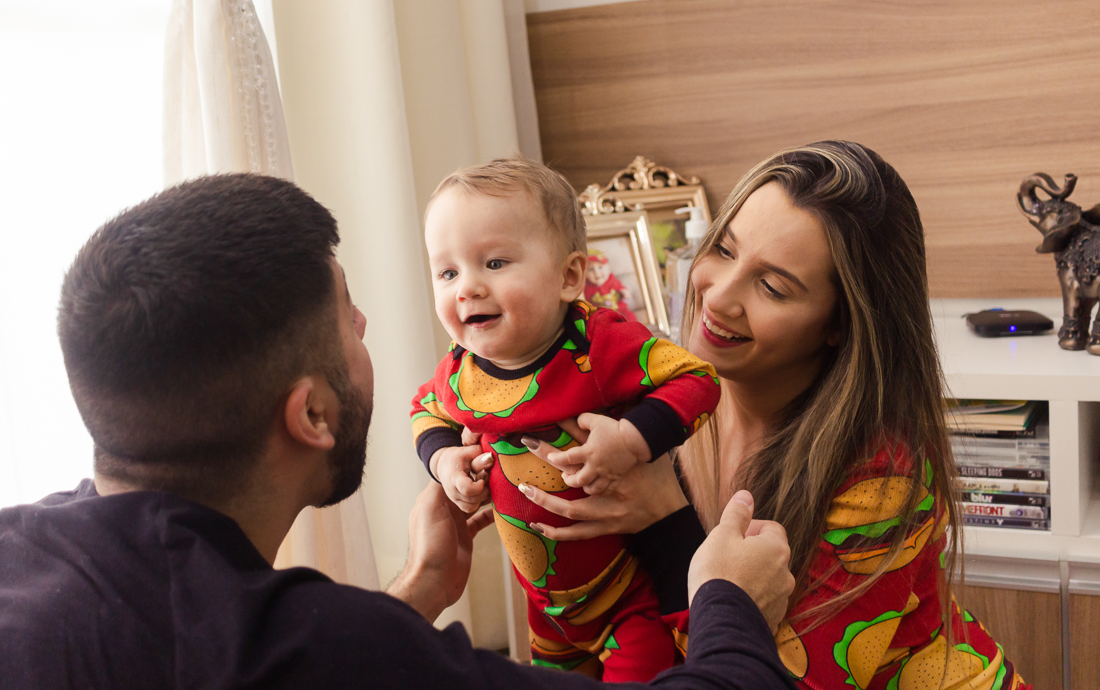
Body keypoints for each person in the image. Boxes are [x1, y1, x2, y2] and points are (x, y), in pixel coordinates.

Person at [0, 173, 796, 689]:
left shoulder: (21, 550)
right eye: (347, 319)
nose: (366, 322)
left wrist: (417, 591)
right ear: (312, 414)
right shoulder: (330, 646)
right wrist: (730, 599)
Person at [518, 141, 1030, 689]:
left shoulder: (884, 478)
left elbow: (764, 680)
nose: (719, 297)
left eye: (772, 287)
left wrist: (664, 523)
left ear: (841, 325)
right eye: (724, 250)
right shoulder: (653, 412)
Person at [411, 158, 721, 681]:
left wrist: (630, 438)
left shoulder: (597, 343)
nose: (466, 288)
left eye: (494, 263)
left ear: (569, 276)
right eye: (448, 272)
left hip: (628, 601)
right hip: (548, 616)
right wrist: (444, 460)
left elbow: (697, 380)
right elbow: (425, 409)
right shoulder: (460, 370)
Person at [584, 249, 637, 321]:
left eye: (600, 267)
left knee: (630, 318)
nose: (596, 273)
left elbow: (623, 290)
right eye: (590, 270)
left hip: (620, 311)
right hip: (602, 317)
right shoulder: (586, 288)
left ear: (608, 269)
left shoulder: (613, 281)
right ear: (585, 274)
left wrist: (625, 293)